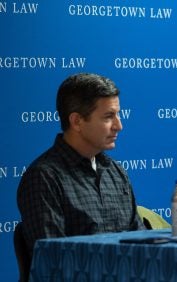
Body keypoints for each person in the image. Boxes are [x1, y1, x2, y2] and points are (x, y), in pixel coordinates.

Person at [17, 73, 144, 258]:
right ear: (76, 121)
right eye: (109, 117)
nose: (119, 125)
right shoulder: (43, 178)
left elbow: (141, 242)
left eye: (118, 115)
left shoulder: (116, 172)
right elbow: (53, 260)